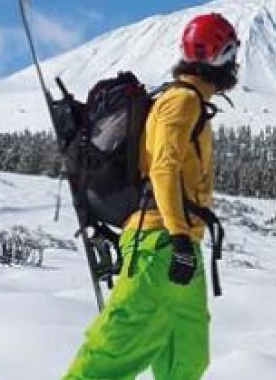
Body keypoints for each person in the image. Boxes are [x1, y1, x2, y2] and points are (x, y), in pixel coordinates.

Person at [61, 13, 240, 380]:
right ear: (219, 56)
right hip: (160, 242)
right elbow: (163, 168)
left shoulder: (189, 100)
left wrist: (183, 240)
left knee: (186, 358)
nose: (235, 62)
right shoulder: (182, 102)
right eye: (231, 52)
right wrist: (176, 236)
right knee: (115, 348)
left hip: (180, 244)